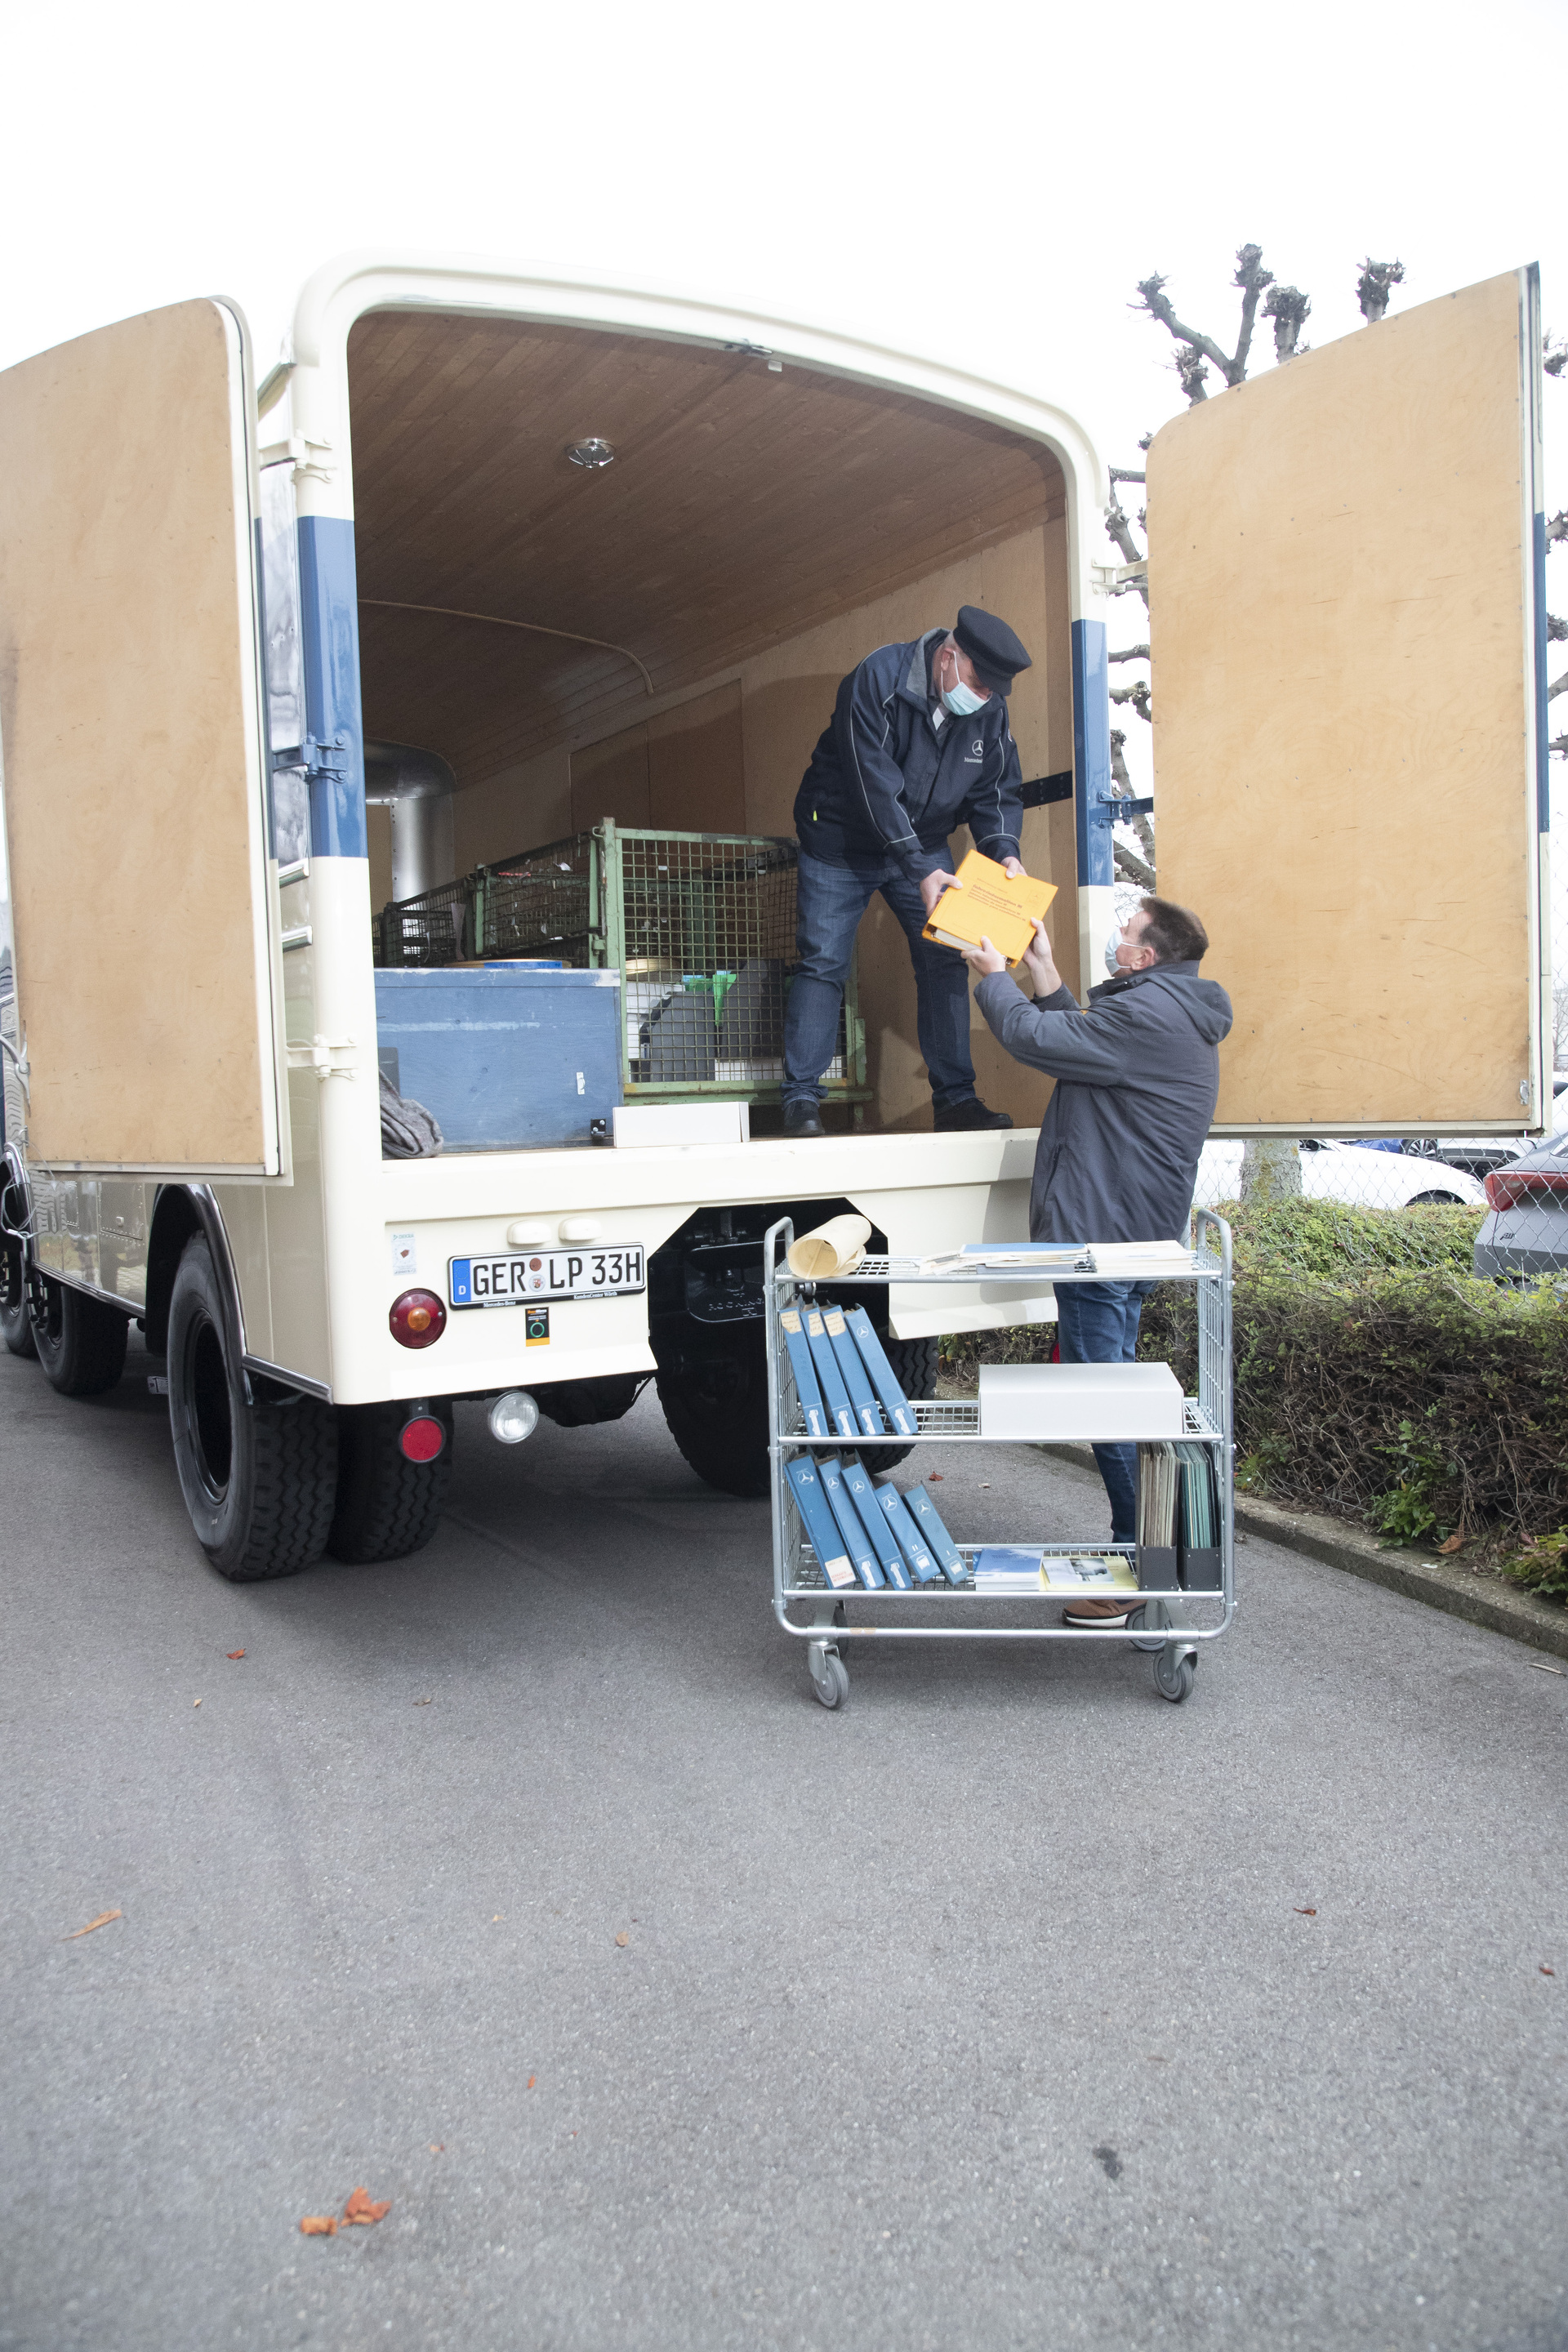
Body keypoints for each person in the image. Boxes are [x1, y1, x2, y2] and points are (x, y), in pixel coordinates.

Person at [963, 895, 1232, 1625]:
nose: (1116, 937)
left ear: (1145, 957)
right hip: (1126, 1232)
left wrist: (994, 976)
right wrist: (1043, 969)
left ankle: (1137, 1567)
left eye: (1126, 933)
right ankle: (1158, 1551)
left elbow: (1033, 1038)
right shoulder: (1168, 1011)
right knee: (1123, 1396)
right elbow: (1085, 1039)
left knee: (1108, 1403)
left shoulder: (1147, 1017)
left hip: (1102, 1241)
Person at [781, 608, 1034, 1137]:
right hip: (842, 841)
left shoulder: (989, 708)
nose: (984, 699)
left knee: (946, 959)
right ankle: (801, 1101)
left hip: (921, 844)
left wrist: (1003, 849)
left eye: (994, 693)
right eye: (979, 685)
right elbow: (873, 786)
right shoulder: (878, 679)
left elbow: (996, 791)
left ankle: (956, 1101)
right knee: (824, 962)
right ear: (948, 658)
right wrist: (918, 865)